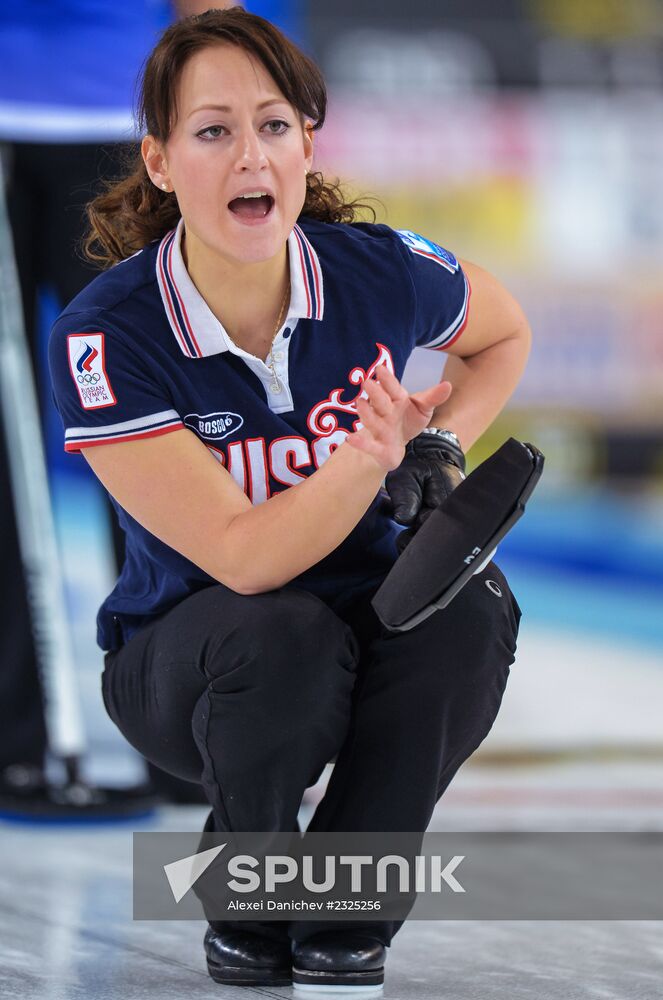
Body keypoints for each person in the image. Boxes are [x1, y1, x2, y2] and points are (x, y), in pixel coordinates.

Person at [47, 7, 529, 991]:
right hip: (190, 660)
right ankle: (249, 889)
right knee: (283, 636)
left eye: (273, 125)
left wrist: (436, 442)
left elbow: (503, 330)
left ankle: (346, 906)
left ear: (307, 145)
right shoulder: (108, 335)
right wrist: (363, 457)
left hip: (367, 620)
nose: (249, 155)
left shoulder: (383, 271)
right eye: (212, 130)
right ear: (162, 161)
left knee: (470, 614)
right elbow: (242, 556)